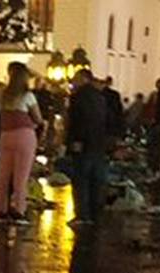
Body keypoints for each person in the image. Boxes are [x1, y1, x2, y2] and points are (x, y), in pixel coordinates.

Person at [0, 62, 43, 225]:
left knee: (3, 174)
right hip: (24, 136)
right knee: (21, 176)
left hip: (6, 135)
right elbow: (38, 118)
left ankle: (1, 209)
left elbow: (1, 114)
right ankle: (18, 210)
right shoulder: (27, 96)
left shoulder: (2, 96)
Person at [66, 68, 109, 227]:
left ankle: (82, 214)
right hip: (98, 143)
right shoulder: (99, 97)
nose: (73, 81)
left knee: (80, 179)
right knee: (96, 179)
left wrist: (75, 141)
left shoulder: (78, 97)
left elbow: (77, 121)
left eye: (76, 78)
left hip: (82, 143)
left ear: (84, 78)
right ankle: (94, 213)